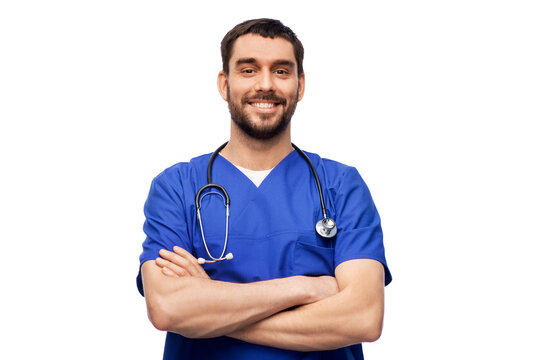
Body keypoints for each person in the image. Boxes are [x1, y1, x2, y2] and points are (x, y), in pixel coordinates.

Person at [136, 18, 392, 359]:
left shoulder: (340, 186)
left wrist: (210, 309)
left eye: (282, 71)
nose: (266, 84)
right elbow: (168, 308)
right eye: (248, 70)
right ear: (224, 83)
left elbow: (362, 317)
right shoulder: (177, 187)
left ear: (300, 86)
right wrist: (309, 287)